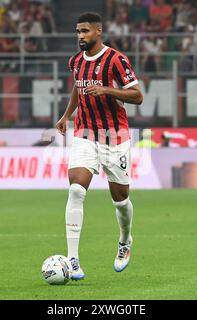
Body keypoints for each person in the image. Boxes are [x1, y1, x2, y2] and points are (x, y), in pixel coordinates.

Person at [55, 12, 143, 280]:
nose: (80, 36)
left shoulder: (116, 60)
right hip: (84, 134)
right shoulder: (76, 61)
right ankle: (72, 259)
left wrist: (107, 90)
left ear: (98, 31)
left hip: (114, 137)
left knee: (120, 200)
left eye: (85, 31)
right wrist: (66, 115)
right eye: (77, 31)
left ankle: (125, 240)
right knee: (76, 190)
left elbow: (137, 96)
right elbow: (77, 88)